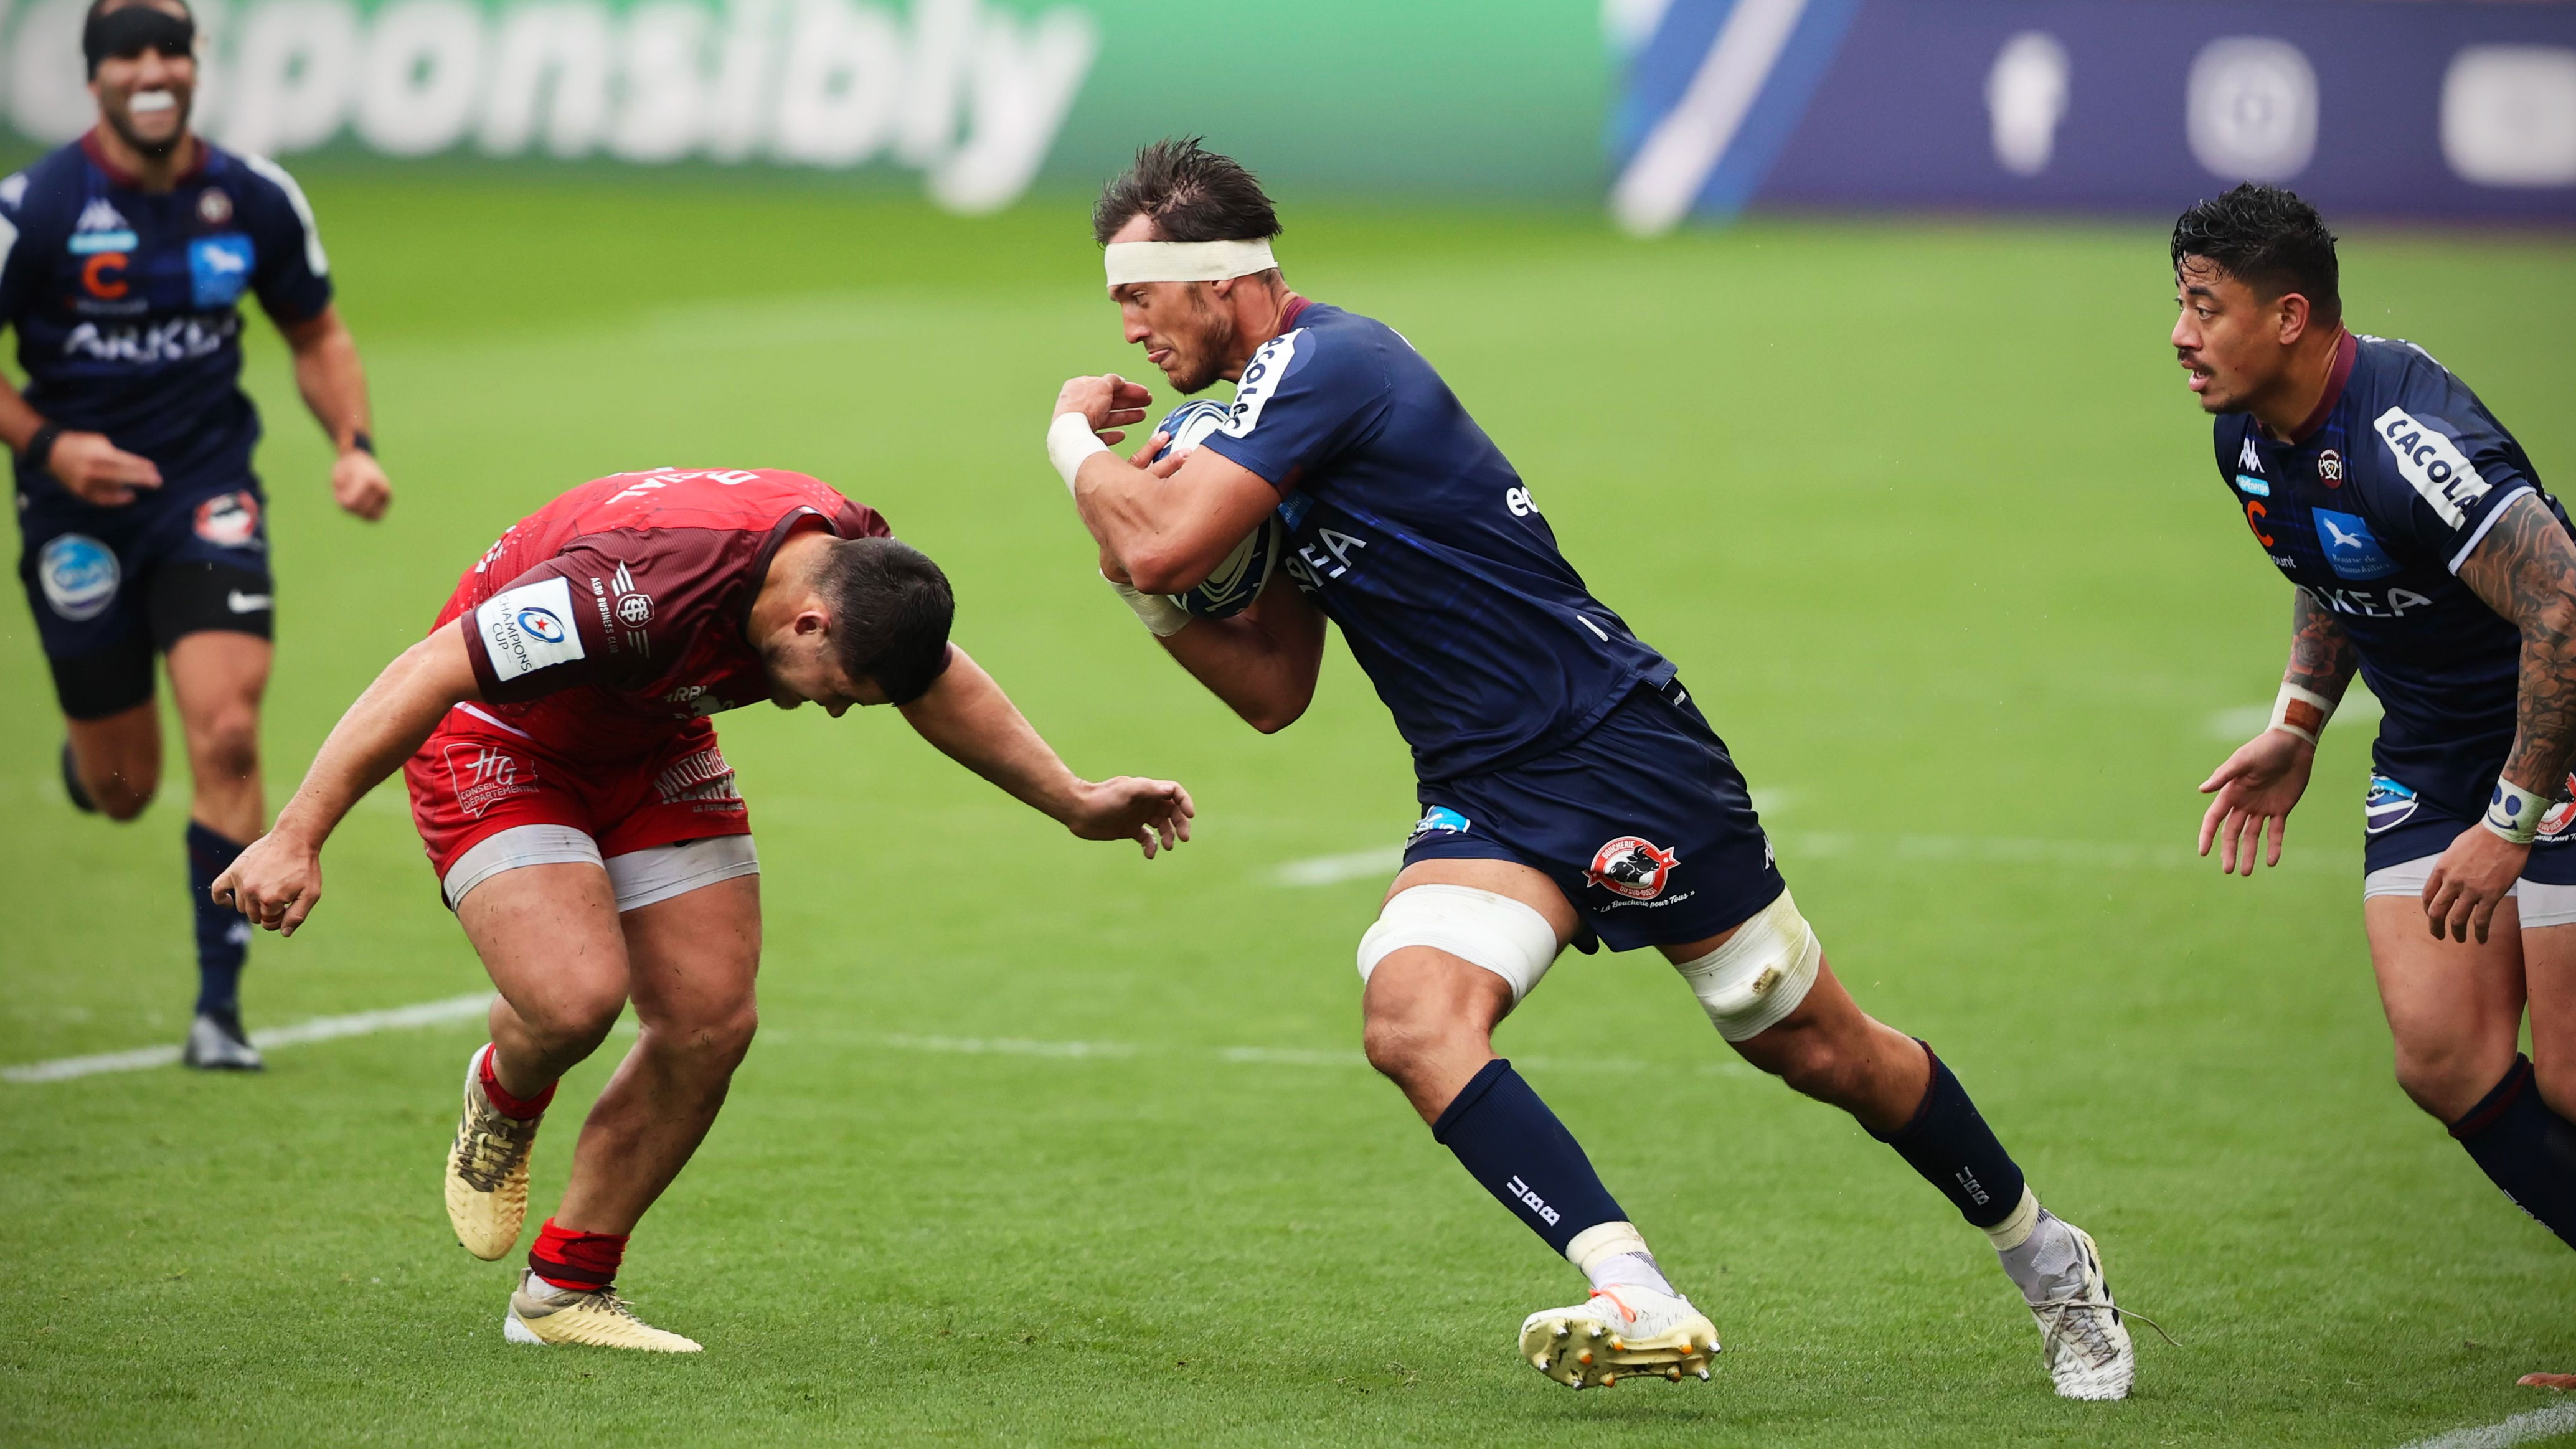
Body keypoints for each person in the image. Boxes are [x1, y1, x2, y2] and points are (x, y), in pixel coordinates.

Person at [1041, 139, 2135, 1399]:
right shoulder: (1237, 430)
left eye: (1137, 293)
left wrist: (1074, 448)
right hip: (1482, 788)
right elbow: (1274, 689)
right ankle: (1634, 1289)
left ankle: (2044, 1258)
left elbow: (1168, 538)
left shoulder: (1328, 361)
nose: (1123, 325)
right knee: (1409, 1020)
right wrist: (1147, 597)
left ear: (1220, 279)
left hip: (1619, 749)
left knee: (1812, 1044)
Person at [212, 466, 1194, 1351]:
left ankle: (562, 1294)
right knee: (572, 1003)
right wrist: (298, 834)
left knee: (711, 1019)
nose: (837, 709)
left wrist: (1070, 800)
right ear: (808, 624)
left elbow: (933, 678)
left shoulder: (849, 561)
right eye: (841, 689)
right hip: (501, 742)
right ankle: (508, 1091)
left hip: (656, 736)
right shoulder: (629, 591)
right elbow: (429, 669)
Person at [2179, 184, 2576, 1392]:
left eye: (2207, 307)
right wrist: (2298, 721)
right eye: (2179, 304)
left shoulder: (2411, 434)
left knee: (2564, 1072)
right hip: (2424, 747)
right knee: (2443, 1055)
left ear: (2288, 316)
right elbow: (2328, 562)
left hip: (2546, 742)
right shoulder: (2244, 434)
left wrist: (2510, 818)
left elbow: (2561, 604)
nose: (2182, 334)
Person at [2, 0, 392, 1070]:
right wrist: (46, 447)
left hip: (208, 496)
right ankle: (92, 769)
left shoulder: (253, 198)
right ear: (96, 80)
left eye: (169, 47)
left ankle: (218, 1009)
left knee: (227, 734)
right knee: (124, 788)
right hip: (76, 513)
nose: (153, 68)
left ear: (193, 67)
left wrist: (352, 442)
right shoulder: (34, 208)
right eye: (127, 51)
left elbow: (316, 331)